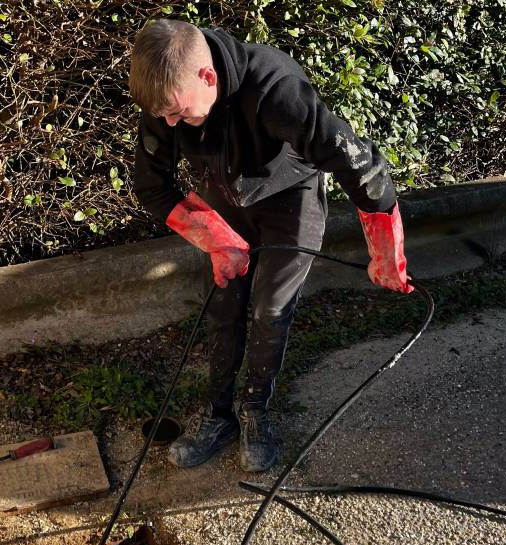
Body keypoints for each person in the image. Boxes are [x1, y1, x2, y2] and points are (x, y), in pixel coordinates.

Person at [128, 19, 412, 473]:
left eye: (177, 113)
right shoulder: (167, 97)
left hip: (289, 200)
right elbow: (151, 186)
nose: (169, 123)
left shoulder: (276, 88)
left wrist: (386, 255)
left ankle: (255, 410)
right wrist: (217, 241)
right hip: (227, 198)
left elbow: (362, 168)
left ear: (207, 77)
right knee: (223, 307)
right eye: (163, 115)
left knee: (270, 309)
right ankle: (219, 417)